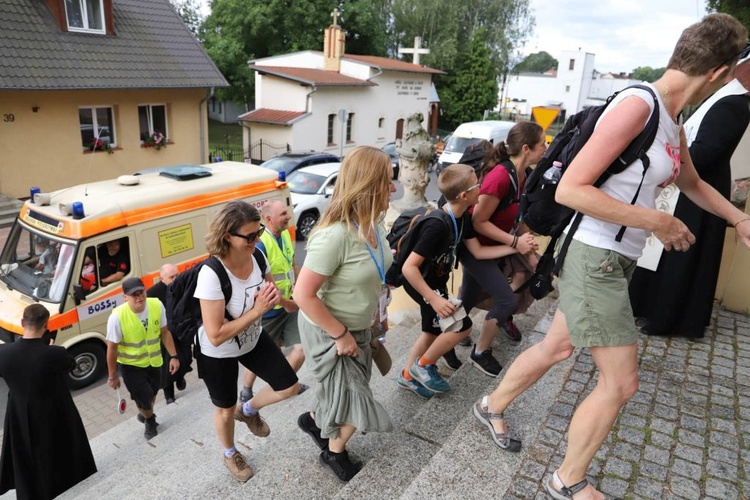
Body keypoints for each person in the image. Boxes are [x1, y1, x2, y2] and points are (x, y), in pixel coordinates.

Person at [473, 14, 749, 500]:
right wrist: (658, 222)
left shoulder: (671, 119)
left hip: (616, 257)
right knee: (621, 383)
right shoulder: (637, 106)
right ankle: (567, 479)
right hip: (594, 255)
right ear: (720, 74)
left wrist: (739, 219)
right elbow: (573, 191)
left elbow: (694, 184)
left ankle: (491, 405)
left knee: (558, 347)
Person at [294, 146, 394, 483]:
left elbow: (376, 273)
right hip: (330, 331)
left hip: (360, 325)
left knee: (347, 388)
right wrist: (340, 334)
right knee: (355, 397)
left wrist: (377, 316)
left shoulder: (375, 224)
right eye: (388, 182)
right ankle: (334, 453)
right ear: (369, 185)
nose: (393, 189)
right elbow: (302, 294)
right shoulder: (334, 236)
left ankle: (313, 419)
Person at [629, 59, 750, 338]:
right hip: (690, 186)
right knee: (669, 258)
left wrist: (667, 160)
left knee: (682, 260)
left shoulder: (732, 105)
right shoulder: (724, 100)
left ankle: (669, 318)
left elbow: (706, 152)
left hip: (698, 192)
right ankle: (651, 308)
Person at [195, 200, 300, 482]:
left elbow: (270, 292)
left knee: (289, 386)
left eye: (259, 232)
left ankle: (250, 409)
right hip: (219, 351)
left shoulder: (257, 258)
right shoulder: (211, 274)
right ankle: (230, 453)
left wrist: (288, 303)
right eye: (250, 236)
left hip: (252, 338)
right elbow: (215, 335)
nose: (257, 240)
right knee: (225, 410)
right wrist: (256, 311)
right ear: (227, 235)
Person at [397, 163, 518, 398]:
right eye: (478, 185)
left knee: (431, 332)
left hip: (434, 282)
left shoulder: (462, 218)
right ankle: (423, 366)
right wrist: (433, 299)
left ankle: (408, 377)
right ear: (464, 195)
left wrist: (515, 247)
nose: (482, 188)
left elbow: (479, 252)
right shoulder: (437, 224)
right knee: (462, 326)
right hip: (421, 284)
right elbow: (408, 268)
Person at [458, 123, 544, 377]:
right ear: (526, 149)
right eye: (543, 145)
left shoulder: (523, 175)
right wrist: (516, 244)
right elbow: (478, 222)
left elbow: (516, 218)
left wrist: (528, 250)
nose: (546, 150)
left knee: (469, 298)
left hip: (494, 246)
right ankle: (480, 352)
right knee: (506, 300)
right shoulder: (499, 177)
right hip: (475, 247)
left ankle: (448, 342)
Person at [0, 304, 97, 499]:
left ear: (22, 323)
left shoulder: (3, 353)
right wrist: (50, 350)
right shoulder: (54, 353)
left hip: (20, 412)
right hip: (54, 411)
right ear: (46, 325)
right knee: (58, 450)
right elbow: (70, 364)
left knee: (27, 455)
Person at [239, 199, 308, 402]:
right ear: (268, 219)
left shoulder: (285, 234)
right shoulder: (261, 245)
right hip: (269, 312)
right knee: (263, 356)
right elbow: (264, 286)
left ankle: (284, 384)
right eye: (283, 214)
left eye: (287, 213)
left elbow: (293, 264)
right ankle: (246, 390)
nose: (288, 217)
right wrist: (288, 303)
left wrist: (302, 287)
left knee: (302, 349)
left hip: (288, 307)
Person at [106, 277, 180, 440]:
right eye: (134, 295)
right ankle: (149, 420)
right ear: (125, 297)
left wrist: (174, 356)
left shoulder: (156, 305)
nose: (139, 297)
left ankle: (146, 412)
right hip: (131, 366)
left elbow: (165, 332)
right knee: (144, 398)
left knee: (153, 393)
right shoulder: (117, 317)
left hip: (155, 362)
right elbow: (112, 348)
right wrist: (112, 376)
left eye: (141, 292)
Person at [147, 263, 191, 403]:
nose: (175, 279)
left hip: (181, 329)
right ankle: (169, 394)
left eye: (177, 275)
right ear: (162, 279)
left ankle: (180, 376)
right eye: (171, 277)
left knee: (185, 357)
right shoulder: (152, 294)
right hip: (165, 332)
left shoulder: (182, 286)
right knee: (167, 364)